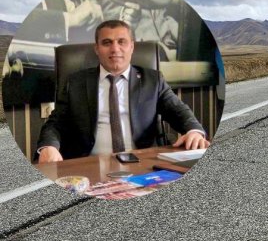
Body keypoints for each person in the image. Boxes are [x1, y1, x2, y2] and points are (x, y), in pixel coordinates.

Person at [37, 20, 209, 163]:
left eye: (122, 41)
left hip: (143, 162)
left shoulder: (153, 80)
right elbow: (56, 123)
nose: (115, 49)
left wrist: (194, 130)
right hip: (90, 164)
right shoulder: (76, 83)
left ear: (132, 46)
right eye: (107, 43)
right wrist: (48, 147)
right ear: (97, 48)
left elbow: (177, 110)